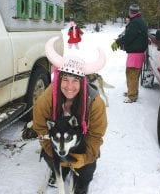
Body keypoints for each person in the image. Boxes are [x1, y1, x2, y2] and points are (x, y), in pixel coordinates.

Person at [33, 36, 107, 194]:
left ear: (83, 82)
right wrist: (52, 151)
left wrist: (86, 158)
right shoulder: (46, 100)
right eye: (65, 80)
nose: (70, 87)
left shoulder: (95, 103)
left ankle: (81, 181)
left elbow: (95, 136)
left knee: (86, 172)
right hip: (56, 143)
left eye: (76, 81)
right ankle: (58, 169)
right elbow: (40, 128)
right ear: (58, 79)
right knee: (54, 160)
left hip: (82, 145)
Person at [111, 4, 148, 103]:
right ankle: (132, 92)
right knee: (132, 73)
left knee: (131, 74)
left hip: (136, 53)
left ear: (131, 12)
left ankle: (132, 96)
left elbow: (128, 37)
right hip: (136, 53)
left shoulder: (135, 22)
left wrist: (118, 42)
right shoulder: (138, 20)